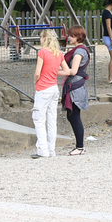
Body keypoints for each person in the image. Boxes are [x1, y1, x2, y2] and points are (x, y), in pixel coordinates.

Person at [31, 29, 65, 158]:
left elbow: (37, 73)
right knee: (51, 119)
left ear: (44, 39)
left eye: (41, 37)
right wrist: (53, 71)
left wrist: (36, 81)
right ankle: (51, 150)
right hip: (54, 88)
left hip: (43, 88)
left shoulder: (42, 52)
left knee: (39, 119)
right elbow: (66, 70)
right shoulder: (59, 53)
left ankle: (42, 150)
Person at [59, 26, 90, 156]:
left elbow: (73, 71)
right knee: (72, 116)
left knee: (74, 116)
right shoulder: (78, 50)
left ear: (78, 36)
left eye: (71, 36)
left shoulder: (79, 52)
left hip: (75, 88)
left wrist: (52, 71)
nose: (69, 37)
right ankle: (79, 146)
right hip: (74, 86)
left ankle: (80, 147)